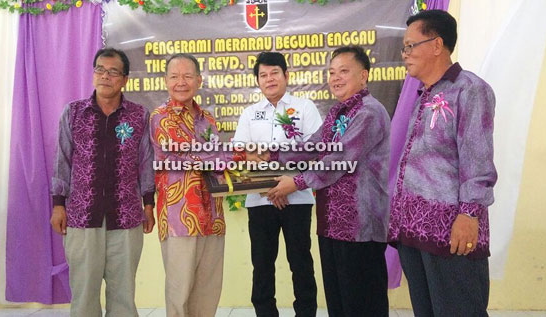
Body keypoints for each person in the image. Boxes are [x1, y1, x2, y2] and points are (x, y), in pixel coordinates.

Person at [387, 10, 497, 316]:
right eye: (404, 47)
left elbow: (477, 158)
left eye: (411, 46)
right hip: (413, 228)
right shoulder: (424, 94)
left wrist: (470, 215)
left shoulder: (470, 89)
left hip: (451, 230)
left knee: (459, 310)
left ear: (437, 45)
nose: (405, 54)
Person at [267, 46, 390, 316]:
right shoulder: (337, 113)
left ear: (364, 75)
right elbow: (311, 147)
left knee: (362, 304)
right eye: (332, 72)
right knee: (339, 303)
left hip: (360, 227)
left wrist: (297, 182)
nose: (335, 78)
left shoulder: (368, 113)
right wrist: (271, 155)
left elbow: (338, 160)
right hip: (332, 224)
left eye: (344, 71)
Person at [50, 47, 155, 317]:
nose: (105, 76)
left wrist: (148, 204)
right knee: (84, 293)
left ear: (125, 79)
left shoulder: (138, 115)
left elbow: (145, 162)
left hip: (127, 215)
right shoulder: (74, 113)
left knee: (123, 295)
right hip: (82, 215)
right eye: (99, 69)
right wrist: (58, 205)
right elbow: (63, 159)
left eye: (112, 72)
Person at [233, 52, 321, 317]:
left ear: (286, 75)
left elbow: (314, 151)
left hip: (298, 198)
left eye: (274, 73)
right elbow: (240, 154)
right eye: (263, 75)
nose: (269, 79)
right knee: (262, 264)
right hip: (260, 201)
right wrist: (270, 188)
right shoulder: (249, 114)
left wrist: (289, 184)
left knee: (300, 262)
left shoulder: (305, 108)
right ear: (258, 81)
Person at [150, 53, 227, 317]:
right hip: (179, 217)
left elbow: (218, 163)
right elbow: (181, 157)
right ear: (165, 81)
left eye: (187, 76)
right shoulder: (160, 118)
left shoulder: (208, 119)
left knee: (208, 292)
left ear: (199, 80)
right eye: (174, 76)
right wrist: (231, 155)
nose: (181, 82)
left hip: (213, 216)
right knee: (179, 293)